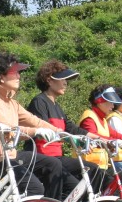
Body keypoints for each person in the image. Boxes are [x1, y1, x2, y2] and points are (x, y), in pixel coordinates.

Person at [0, 52, 77, 200]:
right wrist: (36, 132)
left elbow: (34, 120)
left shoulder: (12, 103)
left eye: (18, 73)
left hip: (12, 155)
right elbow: (7, 130)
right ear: (1, 77)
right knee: (34, 188)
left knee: (53, 164)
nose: (18, 76)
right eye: (14, 72)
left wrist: (61, 133)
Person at [25, 60, 110, 194]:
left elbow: (71, 128)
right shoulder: (39, 102)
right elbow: (44, 129)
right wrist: (77, 141)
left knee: (82, 184)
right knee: (87, 174)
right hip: (44, 157)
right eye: (62, 79)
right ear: (49, 80)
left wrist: (98, 138)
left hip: (57, 157)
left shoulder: (56, 106)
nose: (65, 83)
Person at [77, 85, 122, 190]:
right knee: (115, 184)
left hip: (102, 165)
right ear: (100, 101)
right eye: (110, 102)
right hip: (89, 166)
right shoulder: (89, 116)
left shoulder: (103, 119)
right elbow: (92, 135)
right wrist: (117, 142)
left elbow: (115, 134)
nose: (112, 106)